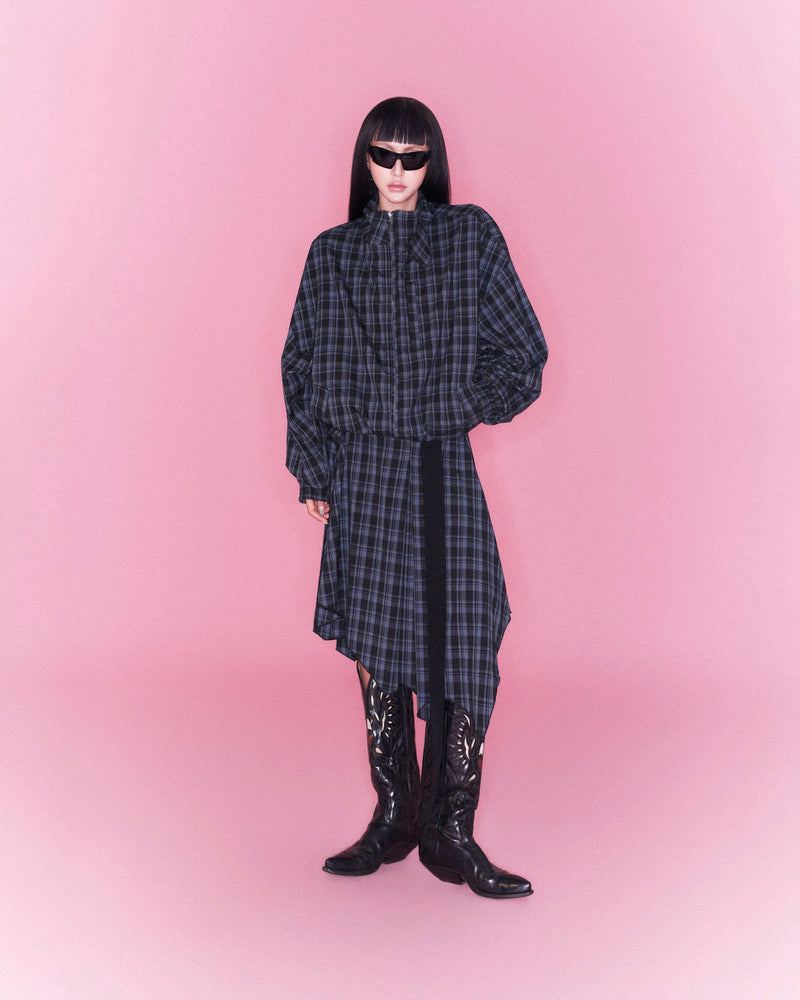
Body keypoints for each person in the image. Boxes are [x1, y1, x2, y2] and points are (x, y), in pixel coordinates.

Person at [281, 97, 547, 899]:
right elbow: (300, 366)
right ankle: (395, 814)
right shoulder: (332, 255)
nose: (397, 173)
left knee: (464, 627)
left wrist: (457, 404)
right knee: (375, 633)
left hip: (438, 462)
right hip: (363, 468)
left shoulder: (469, 238)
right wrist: (315, 470)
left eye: (413, 158)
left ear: (432, 163)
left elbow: (523, 352)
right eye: (384, 156)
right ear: (363, 159)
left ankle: (450, 829)